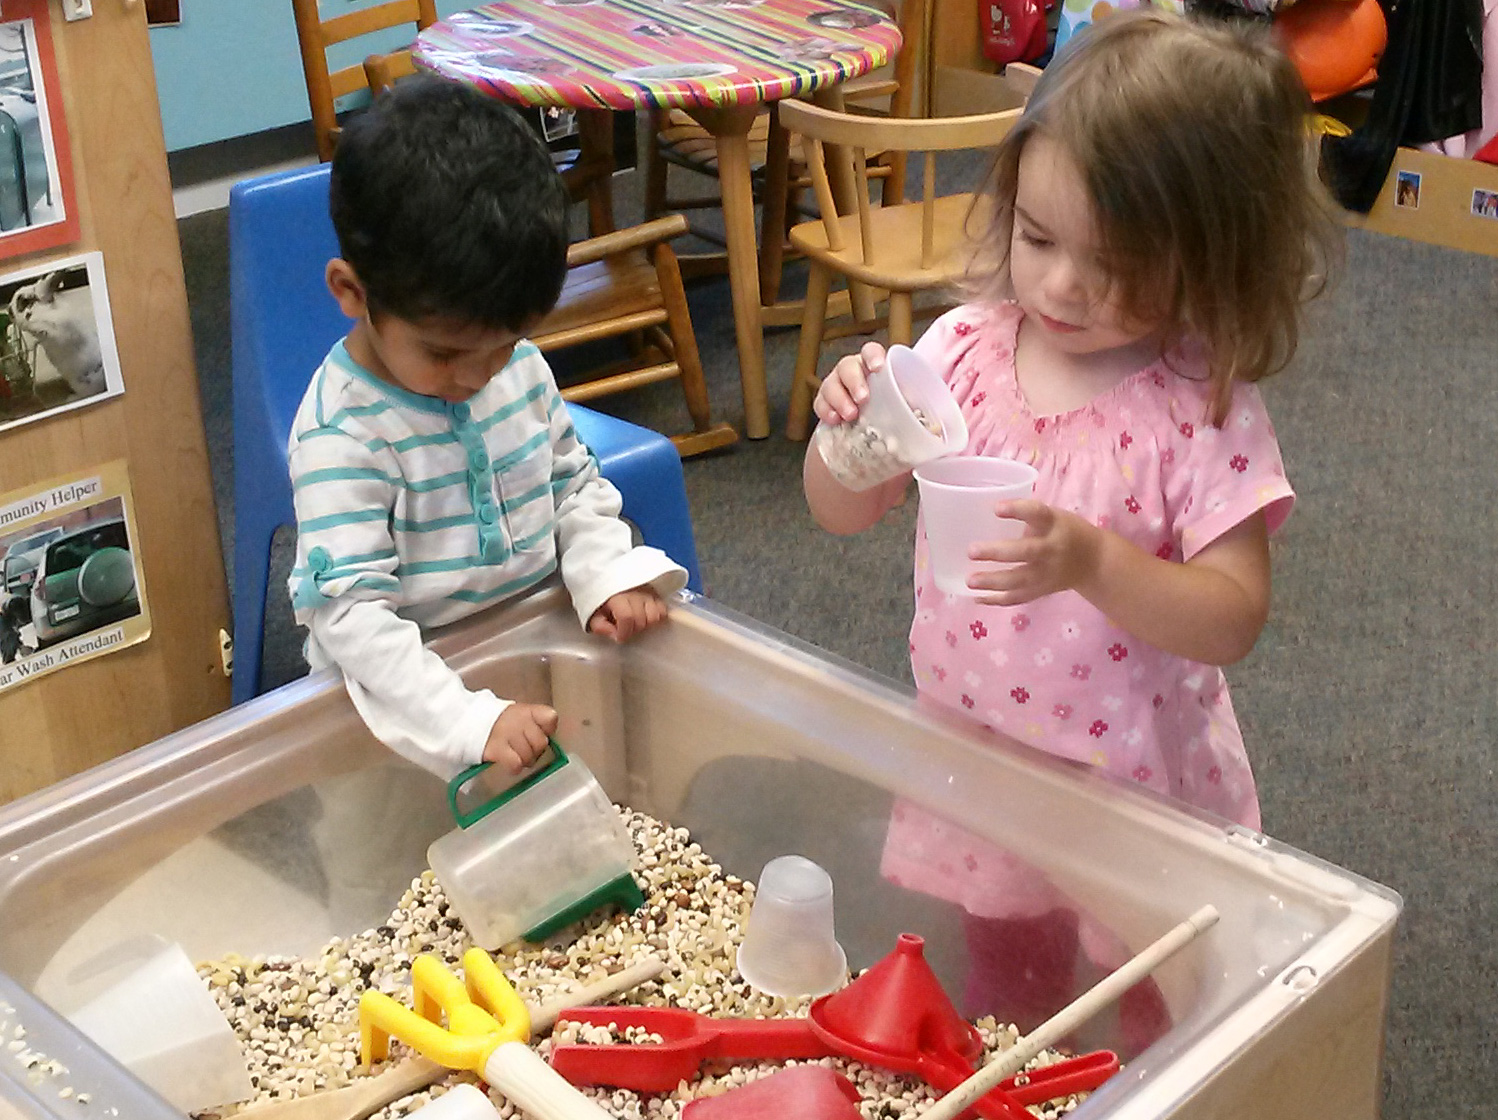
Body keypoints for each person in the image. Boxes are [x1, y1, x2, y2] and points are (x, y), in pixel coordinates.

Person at [802, 11, 1338, 1054]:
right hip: (978, 753)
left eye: (1119, 262)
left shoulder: (1198, 408)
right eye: (1040, 238)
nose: (1062, 286)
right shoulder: (961, 348)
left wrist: (1094, 560)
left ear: (1212, 256)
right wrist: (845, 433)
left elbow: (1232, 617)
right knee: (1005, 979)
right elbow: (840, 513)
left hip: (1127, 780)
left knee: (1143, 1001)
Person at [287, 77, 686, 781]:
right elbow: (351, 620)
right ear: (352, 292)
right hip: (395, 724)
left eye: (503, 344)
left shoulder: (517, 371)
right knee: (395, 870)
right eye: (444, 353)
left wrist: (605, 570)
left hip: (532, 663)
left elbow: (570, 485)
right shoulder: (342, 435)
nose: (479, 376)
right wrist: (468, 718)